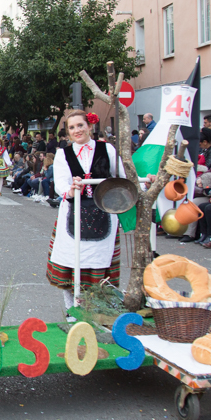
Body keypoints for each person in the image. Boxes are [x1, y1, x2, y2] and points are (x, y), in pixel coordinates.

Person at [46, 111, 124, 316]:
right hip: (73, 212)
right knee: (72, 261)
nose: (77, 130)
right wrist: (69, 190)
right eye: (72, 127)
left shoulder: (107, 148)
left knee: (98, 261)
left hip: (104, 212)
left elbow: (121, 177)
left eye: (80, 125)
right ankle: (72, 310)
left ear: (89, 126)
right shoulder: (63, 154)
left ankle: (99, 310)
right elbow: (61, 183)